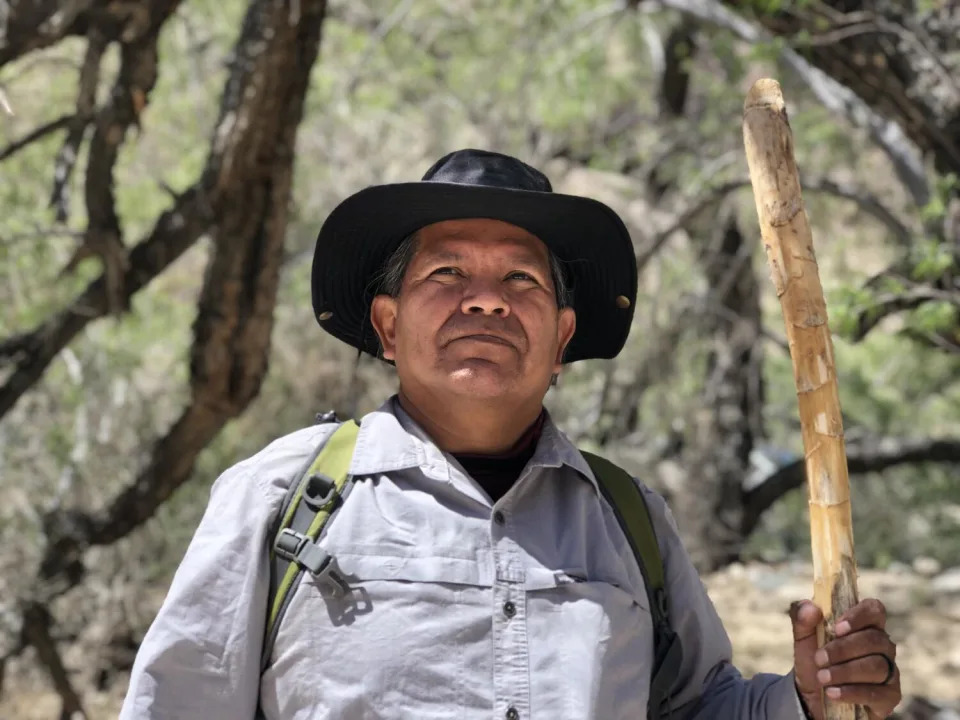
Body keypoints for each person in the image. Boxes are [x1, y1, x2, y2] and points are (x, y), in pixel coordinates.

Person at [119, 149, 901, 719]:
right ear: (388, 326)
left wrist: (809, 696)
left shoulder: (628, 522)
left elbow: (698, 709)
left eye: (520, 280)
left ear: (561, 338)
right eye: (446, 275)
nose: (486, 302)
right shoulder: (281, 499)